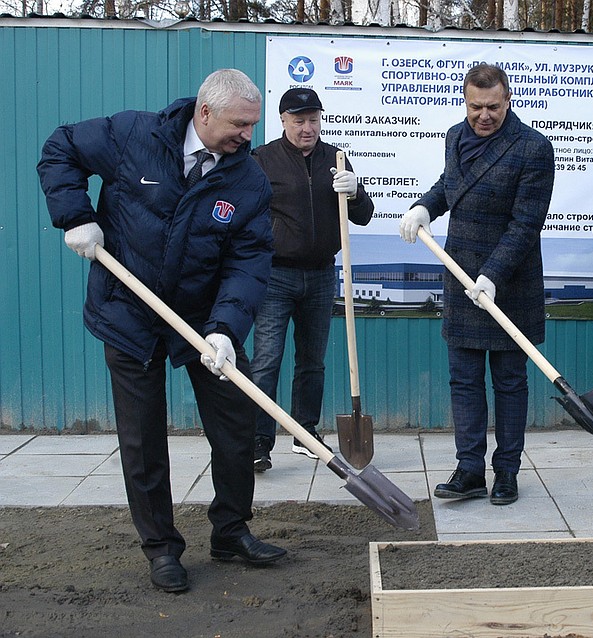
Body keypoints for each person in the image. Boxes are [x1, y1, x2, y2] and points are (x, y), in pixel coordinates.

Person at [37, 69, 287, 593]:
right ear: (204, 112)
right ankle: (161, 548)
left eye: (253, 125)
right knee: (143, 438)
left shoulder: (247, 179)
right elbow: (60, 146)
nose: (248, 135)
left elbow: (250, 260)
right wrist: (74, 215)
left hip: (201, 318)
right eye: (240, 124)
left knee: (236, 424)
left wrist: (224, 329)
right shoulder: (134, 136)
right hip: (127, 311)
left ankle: (231, 530)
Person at [398, 63, 554, 506]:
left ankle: (506, 472)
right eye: (474, 107)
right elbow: (450, 185)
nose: (483, 116)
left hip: (509, 280)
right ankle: (469, 469)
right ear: (465, 102)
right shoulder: (454, 135)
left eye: (492, 107)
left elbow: (526, 225)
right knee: (463, 380)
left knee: (509, 381)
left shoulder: (532, 148)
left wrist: (493, 275)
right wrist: (424, 207)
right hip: (461, 274)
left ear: (508, 100)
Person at [249, 88, 374, 471]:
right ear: (283, 120)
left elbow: (364, 215)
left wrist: (354, 192)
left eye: (314, 119)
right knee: (267, 359)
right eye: (299, 120)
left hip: (321, 275)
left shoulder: (334, 158)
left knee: (312, 361)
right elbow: (245, 214)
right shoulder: (262, 160)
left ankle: (305, 432)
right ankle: (257, 442)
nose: (308, 128)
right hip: (275, 275)